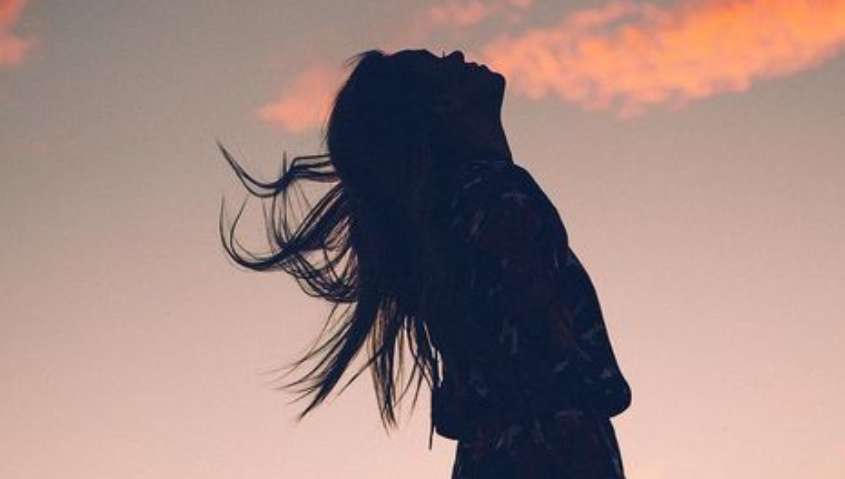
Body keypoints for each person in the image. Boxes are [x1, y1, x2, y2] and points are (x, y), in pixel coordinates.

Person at [218, 48, 632, 478]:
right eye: (439, 62)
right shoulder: (495, 195)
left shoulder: (456, 211)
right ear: (442, 105)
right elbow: (538, 360)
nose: (457, 55)